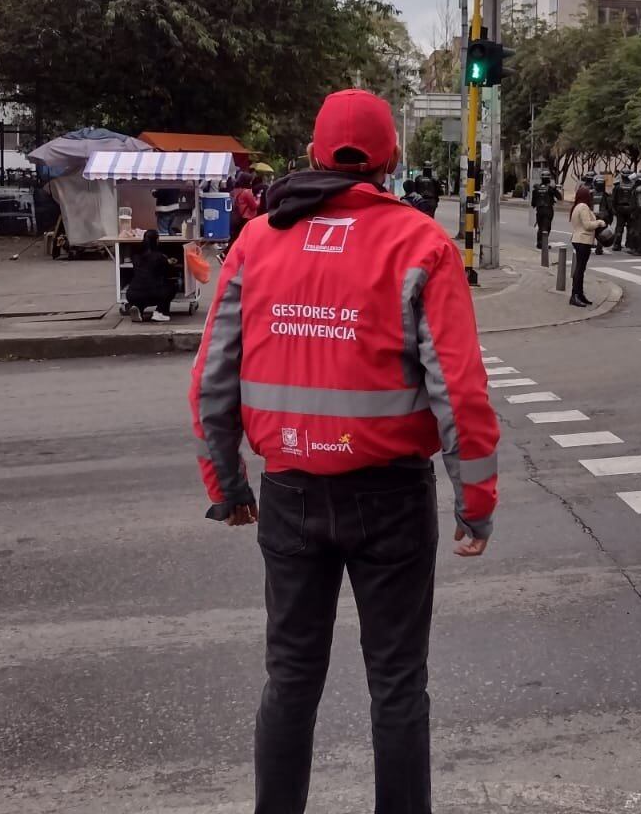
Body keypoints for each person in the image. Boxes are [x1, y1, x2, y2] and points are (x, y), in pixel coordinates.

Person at [190, 88, 498, 814]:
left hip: (290, 494)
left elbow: (211, 378)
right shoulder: (422, 244)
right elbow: (460, 389)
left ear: (313, 153)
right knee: (397, 684)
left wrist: (226, 483)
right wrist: (475, 500)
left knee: (291, 678)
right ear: (390, 157)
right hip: (391, 498)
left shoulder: (257, 241)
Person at [124, 228, 178, 322]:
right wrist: (169, 262)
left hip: (132, 294)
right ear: (157, 240)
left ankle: (138, 309)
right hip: (153, 293)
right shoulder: (159, 256)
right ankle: (160, 312)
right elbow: (168, 270)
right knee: (172, 286)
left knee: (142, 290)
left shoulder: (136, 256)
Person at [569, 183, 605, 307]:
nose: (591, 196)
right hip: (583, 240)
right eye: (589, 194)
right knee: (580, 269)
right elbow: (587, 225)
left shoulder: (577, 206)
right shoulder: (583, 206)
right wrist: (599, 222)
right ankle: (575, 295)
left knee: (581, 269)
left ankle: (579, 294)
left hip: (579, 240)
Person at [530, 170, 558, 250]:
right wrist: (555, 188)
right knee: (546, 228)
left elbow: (533, 203)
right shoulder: (550, 189)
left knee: (540, 227)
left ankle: (539, 243)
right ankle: (544, 244)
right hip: (548, 210)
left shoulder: (536, 189)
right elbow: (559, 197)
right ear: (549, 179)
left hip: (539, 210)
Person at [626, 173, 641, 256]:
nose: (632, 182)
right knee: (637, 232)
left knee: (638, 232)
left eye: (633, 181)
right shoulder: (639, 189)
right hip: (639, 213)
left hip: (638, 214)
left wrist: (635, 213)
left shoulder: (639, 191)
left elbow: (640, 204)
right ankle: (637, 248)